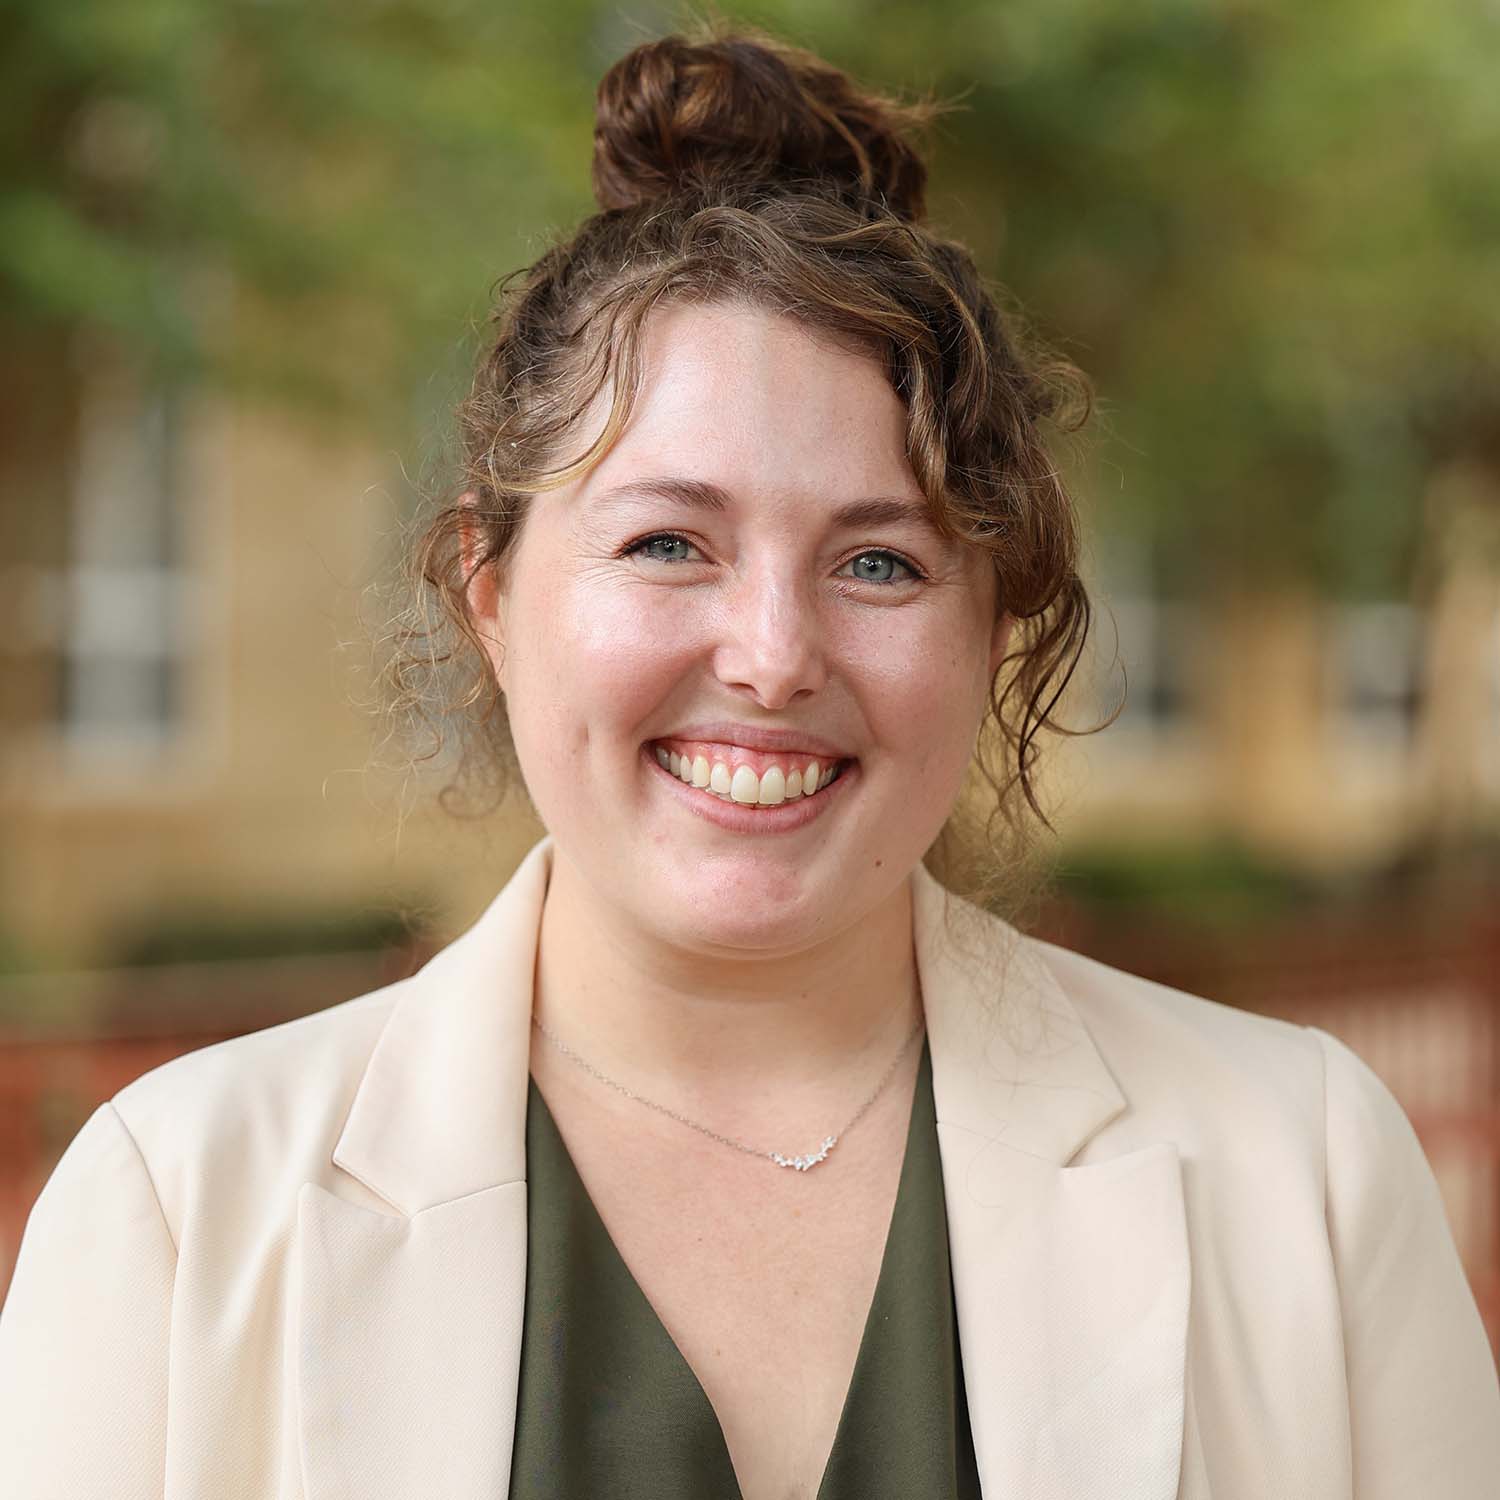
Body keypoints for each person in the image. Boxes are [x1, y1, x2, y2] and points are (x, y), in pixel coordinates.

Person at [2, 17, 1498, 1500]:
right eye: (668, 542)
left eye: (882, 565)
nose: (774, 656)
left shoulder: (1304, 1172)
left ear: (997, 622)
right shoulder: (177, 1214)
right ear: (491, 592)